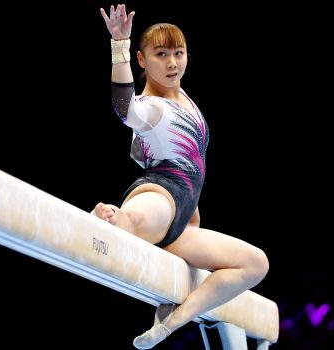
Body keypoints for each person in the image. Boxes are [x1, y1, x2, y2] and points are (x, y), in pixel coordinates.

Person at [94, 4, 270, 349]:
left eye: (179, 52)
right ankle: (115, 220)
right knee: (135, 219)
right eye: (161, 54)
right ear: (142, 61)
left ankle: (176, 318)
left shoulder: (184, 98)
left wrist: (193, 213)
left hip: (184, 216)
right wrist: (119, 46)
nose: (172, 62)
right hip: (159, 192)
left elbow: (195, 165)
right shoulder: (151, 107)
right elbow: (123, 108)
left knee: (255, 263)